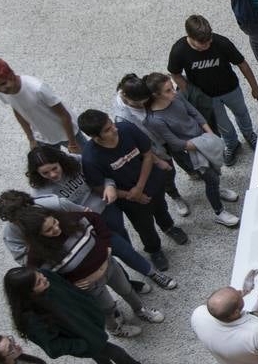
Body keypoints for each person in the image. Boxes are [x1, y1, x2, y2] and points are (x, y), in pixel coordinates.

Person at [22, 148, 178, 290]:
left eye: (54, 168)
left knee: (122, 242)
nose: (53, 175)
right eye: (45, 173)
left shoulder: (75, 160)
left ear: (60, 161)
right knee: (116, 249)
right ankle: (150, 273)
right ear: (37, 174)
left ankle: (128, 279)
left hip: (107, 207)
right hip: (84, 223)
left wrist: (109, 185)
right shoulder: (39, 192)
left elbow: (101, 172)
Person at [13, 205, 165, 334]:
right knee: (107, 308)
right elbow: (46, 279)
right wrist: (70, 285)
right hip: (89, 284)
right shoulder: (37, 255)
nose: (56, 228)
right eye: (49, 230)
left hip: (109, 265)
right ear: (37, 236)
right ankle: (115, 328)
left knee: (127, 290)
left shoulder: (72, 219)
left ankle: (140, 310)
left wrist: (107, 244)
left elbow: (95, 218)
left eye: (54, 222)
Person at [2, 266, 165, 364]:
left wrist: (92, 311)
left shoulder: (46, 276)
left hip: (89, 325)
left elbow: (71, 290)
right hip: (84, 339)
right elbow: (54, 347)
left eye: (40, 275)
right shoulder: (30, 318)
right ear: (27, 292)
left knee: (97, 353)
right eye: (38, 282)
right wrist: (84, 344)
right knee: (115, 352)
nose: (44, 278)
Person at [78, 110, 188, 272]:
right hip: (130, 200)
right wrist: (132, 195)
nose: (114, 129)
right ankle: (154, 250)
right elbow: (98, 187)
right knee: (144, 226)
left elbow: (147, 155)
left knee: (161, 208)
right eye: (108, 130)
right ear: (95, 137)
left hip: (151, 183)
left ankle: (169, 227)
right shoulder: (90, 158)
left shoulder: (126, 129)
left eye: (111, 124)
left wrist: (139, 188)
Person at [135, 73, 241, 226]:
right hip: (189, 151)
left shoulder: (177, 97)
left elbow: (194, 113)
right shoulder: (154, 119)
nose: (173, 92)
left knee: (215, 170)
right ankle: (219, 212)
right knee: (210, 178)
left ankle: (218, 190)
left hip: (202, 140)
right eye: (168, 91)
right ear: (155, 95)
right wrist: (205, 144)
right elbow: (175, 143)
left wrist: (209, 133)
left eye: (172, 88)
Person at [167, 14, 258, 165]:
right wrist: (190, 92)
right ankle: (232, 144)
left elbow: (242, 63)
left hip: (231, 89)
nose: (207, 45)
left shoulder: (221, 42)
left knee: (242, 113)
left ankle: (249, 134)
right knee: (222, 124)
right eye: (202, 44)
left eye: (209, 41)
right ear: (190, 37)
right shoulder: (179, 50)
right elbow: (175, 73)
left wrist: (254, 86)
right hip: (207, 97)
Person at [113, 75, 191, 218]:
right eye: (137, 104)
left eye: (145, 102)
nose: (142, 106)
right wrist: (156, 159)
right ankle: (175, 196)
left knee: (185, 158)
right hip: (154, 146)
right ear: (125, 96)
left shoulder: (142, 89)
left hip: (167, 134)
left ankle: (192, 172)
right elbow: (137, 143)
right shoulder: (122, 119)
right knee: (168, 172)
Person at [0, 56, 79, 152]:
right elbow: (18, 111)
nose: (2, 89)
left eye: (3, 83)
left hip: (68, 132)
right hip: (43, 136)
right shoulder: (1, 91)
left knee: (86, 160)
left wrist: (73, 143)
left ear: (11, 74)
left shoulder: (37, 89)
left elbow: (64, 115)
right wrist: (31, 139)